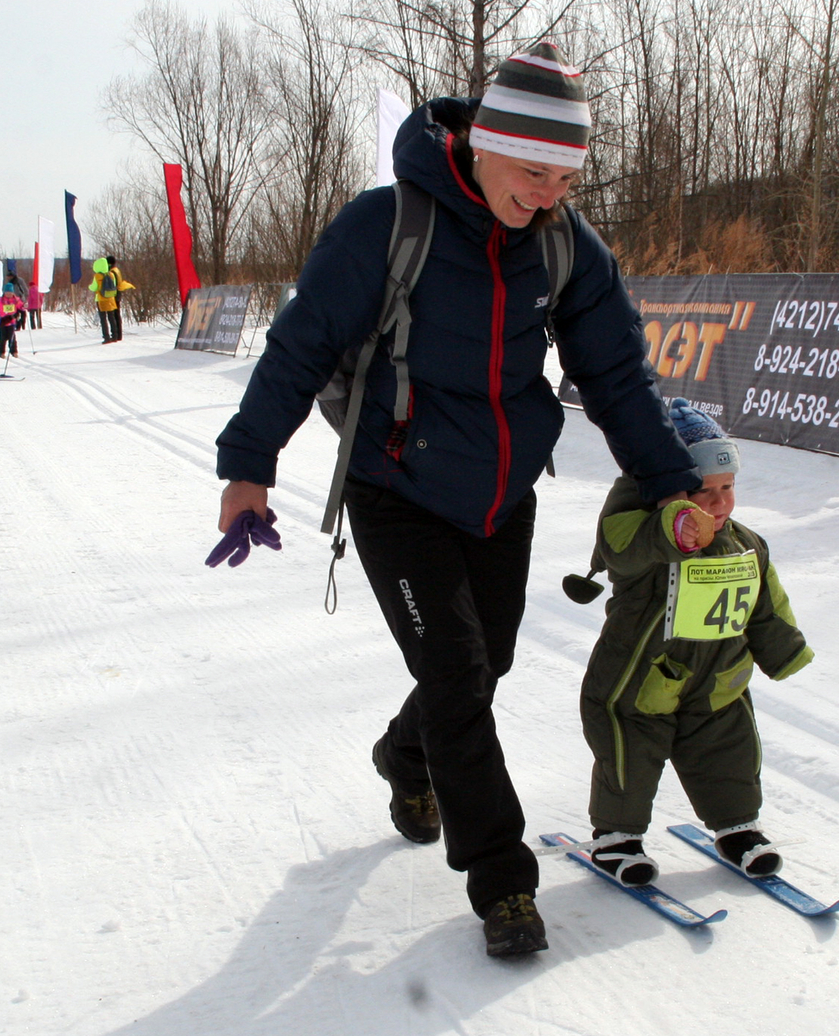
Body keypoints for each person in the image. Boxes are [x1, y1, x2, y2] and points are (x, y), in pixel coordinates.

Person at [213, 42, 701, 958]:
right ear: (485, 141)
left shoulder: (561, 246)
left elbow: (618, 381)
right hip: (394, 487)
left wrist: (673, 482)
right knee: (455, 671)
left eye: (565, 173)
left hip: (497, 491)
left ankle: (405, 755)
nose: (548, 190)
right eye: (532, 168)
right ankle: (502, 881)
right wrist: (248, 466)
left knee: (487, 660)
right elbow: (299, 346)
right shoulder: (385, 226)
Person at [574, 399, 813, 886]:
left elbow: (764, 603)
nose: (719, 502)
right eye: (703, 492)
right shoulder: (642, 530)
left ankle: (737, 827)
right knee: (630, 752)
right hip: (638, 679)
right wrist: (671, 525)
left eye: (727, 488)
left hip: (719, 677)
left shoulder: (747, 542)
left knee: (729, 748)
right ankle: (617, 836)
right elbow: (621, 545)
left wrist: (783, 649)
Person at [90, 257, 120, 342]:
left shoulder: (97, 276)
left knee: (103, 318)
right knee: (111, 317)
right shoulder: (111, 274)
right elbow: (114, 285)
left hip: (101, 298)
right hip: (110, 298)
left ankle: (106, 337)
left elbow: (94, 287)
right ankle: (114, 336)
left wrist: (90, 287)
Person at [0, 283, 24, 360]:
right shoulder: (0, 300)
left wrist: (24, 306)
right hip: (3, 321)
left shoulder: (16, 300)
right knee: (2, 338)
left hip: (12, 322)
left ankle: (14, 351)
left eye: (10, 292)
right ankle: (1, 352)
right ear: (4, 292)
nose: (9, 294)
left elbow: (21, 306)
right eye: (7, 292)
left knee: (12, 337)